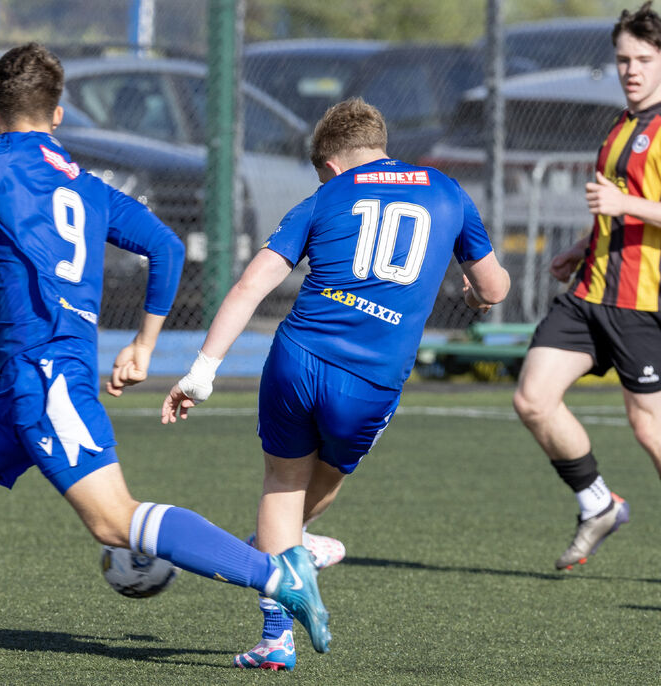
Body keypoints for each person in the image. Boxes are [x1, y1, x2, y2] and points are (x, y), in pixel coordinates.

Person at [0, 42, 329, 685]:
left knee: (113, 519)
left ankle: (277, 573)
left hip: (47, 380)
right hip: (15, 389)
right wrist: (143, 344)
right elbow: (164, 245)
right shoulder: (85, 181)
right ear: (60, 114)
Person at [162, 97, 510, 671]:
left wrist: (201, 372)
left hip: (299, 357)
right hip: (371, 380)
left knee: (281, 484)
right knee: (319, 486)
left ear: (332, 164)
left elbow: (251, 285)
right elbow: (493, 288)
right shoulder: (449, 191)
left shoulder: (325, 196)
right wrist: (474, 293)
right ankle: (290, 550)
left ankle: (279, 620)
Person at [512, 2, 661, 586]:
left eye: (644, 60)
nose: (631, 69)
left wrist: (623, 206)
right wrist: (584, 245)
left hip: (642, 304)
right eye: (624, 59)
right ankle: (599, 503)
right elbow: (621, 210)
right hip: (589, 292)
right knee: (532, 400)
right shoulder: (621, 125)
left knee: (650, 428)